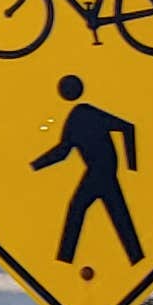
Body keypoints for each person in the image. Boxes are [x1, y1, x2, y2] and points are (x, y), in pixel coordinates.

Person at [31, 73, 141, 272]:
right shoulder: (77, 116)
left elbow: (127, 127)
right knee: (116, 214)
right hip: (100, 171)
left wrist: (132, 165)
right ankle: (135, 257)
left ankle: (65, 259)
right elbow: (63, 151)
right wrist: (35, 165)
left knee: (79, 209)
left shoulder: (85, 113)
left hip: (101, 171)